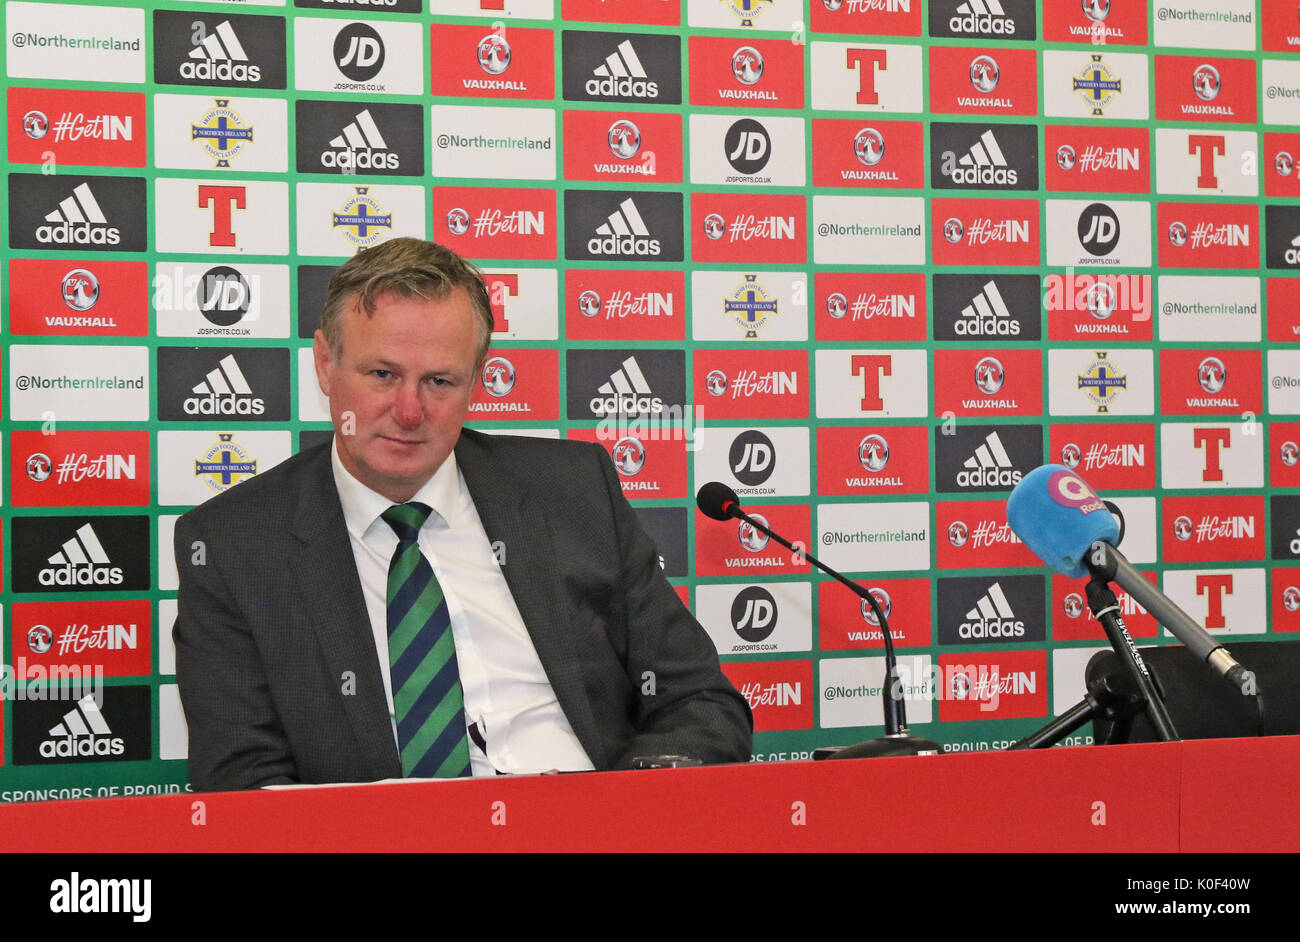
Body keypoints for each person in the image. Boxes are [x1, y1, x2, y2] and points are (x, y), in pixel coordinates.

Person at [174, 238, 752, 790]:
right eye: (382, 374)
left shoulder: (572, 490)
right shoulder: (233, 544)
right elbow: (242, 782)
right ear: (326, 364)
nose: (408, 410)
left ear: (478, 380)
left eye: (439, 381)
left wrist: (624, 810)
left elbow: (699, 700)